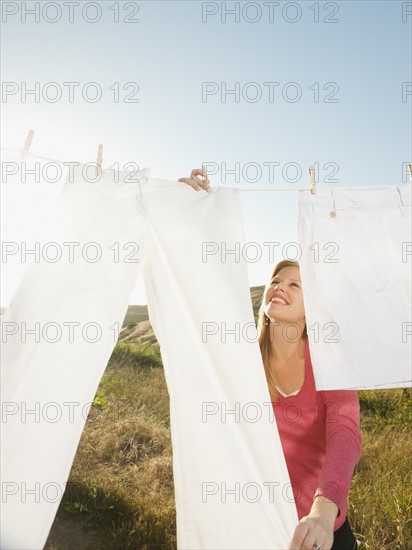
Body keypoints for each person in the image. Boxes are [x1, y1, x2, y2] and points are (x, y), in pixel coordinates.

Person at [178, 169, 362, 550]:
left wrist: (325, 507)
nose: (280, 286)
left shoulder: (331, 364)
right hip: (251, 526)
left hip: (318, 528)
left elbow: (345, 435)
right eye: (277, 280)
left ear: (314, 310)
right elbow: (197, 294)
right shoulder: (242, 357)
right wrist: (189, 210)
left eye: (296, 284)